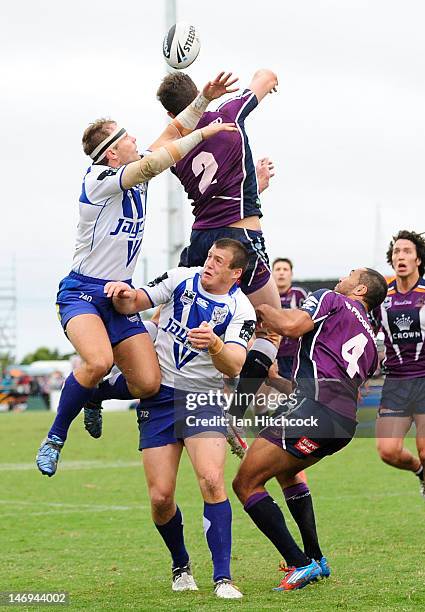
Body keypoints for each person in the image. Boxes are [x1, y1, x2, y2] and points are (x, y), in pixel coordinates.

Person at [36, 72, 239, 477]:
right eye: (125, 137)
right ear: (112, 154)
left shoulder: (133, 165)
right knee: (97, 360)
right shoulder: (100, 179)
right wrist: (202, 136)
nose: (134, 139)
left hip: (118, 294)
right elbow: (158, 159)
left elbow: (173, 129)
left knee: (147, 383)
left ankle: (94, 397)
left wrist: (202, 101)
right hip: (82, 293)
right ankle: (55, 437)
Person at [105, 239, 256, 598]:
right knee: (160, 498)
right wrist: (122, 293)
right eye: (209, 257)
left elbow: (234, 363)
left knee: (211, 480)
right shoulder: (180, 278)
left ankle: (223, 578)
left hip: (202, 398)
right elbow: (138, 300)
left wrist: (215, 345)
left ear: (235, 272)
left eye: (219, 261)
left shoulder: (241, 310)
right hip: (159, 398)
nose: (209, 264)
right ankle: (180, 564)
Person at [231, 268, 387, 591]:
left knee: (245, 483)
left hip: (313, 412)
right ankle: (316, 558)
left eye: (350, 274)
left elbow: (290, 326)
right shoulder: (371, 342)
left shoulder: (333, 300)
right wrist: (274, 380)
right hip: (342, 425)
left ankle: (298, 563)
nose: (341, 277)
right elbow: (333, 386)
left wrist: (258, 306)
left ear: (359, 290)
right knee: (288, 473)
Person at [156, 70, 282, 453]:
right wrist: (263, 82)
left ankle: (129, 383)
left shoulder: (175, 146)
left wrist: (250, 186)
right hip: (239, 239)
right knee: (271, 327)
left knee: (165, 319)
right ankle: (234, 412)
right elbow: (266, 77)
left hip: (200, 240)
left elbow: (213, 191)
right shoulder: (228, 111)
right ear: (199, 95)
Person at [373, 230, 425, 498]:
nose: (401, 256)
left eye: (407, 251)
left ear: (418, 259)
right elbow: (367, 334)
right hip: (396, 383)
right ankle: (420, 472)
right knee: (388, 450)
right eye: (396, 252)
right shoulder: (382, 296)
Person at [272, 258, 308, 379]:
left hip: (296, 355)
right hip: (273, 354)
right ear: (272, 273)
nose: (281, 273)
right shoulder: (265, 295)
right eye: (277, 269)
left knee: (296, 391)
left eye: (285, 269)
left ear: (291, 274)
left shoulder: (300, 294)